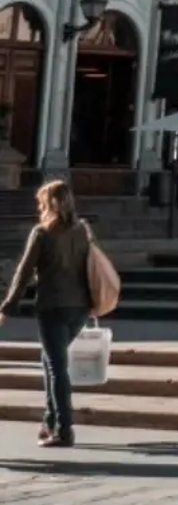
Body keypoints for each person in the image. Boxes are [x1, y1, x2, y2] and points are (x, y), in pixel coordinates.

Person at [0, 180, 98, 447]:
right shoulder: (83, 229)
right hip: (79, 307)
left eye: (41, 202)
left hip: (53, 306)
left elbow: (23, 273)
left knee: (56, 367)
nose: (39, 207)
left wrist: (7, 307)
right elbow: (90, 266)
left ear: (50, 203)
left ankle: (64, 429)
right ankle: (50, 420)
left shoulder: (42, 233)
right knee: (50, 360)